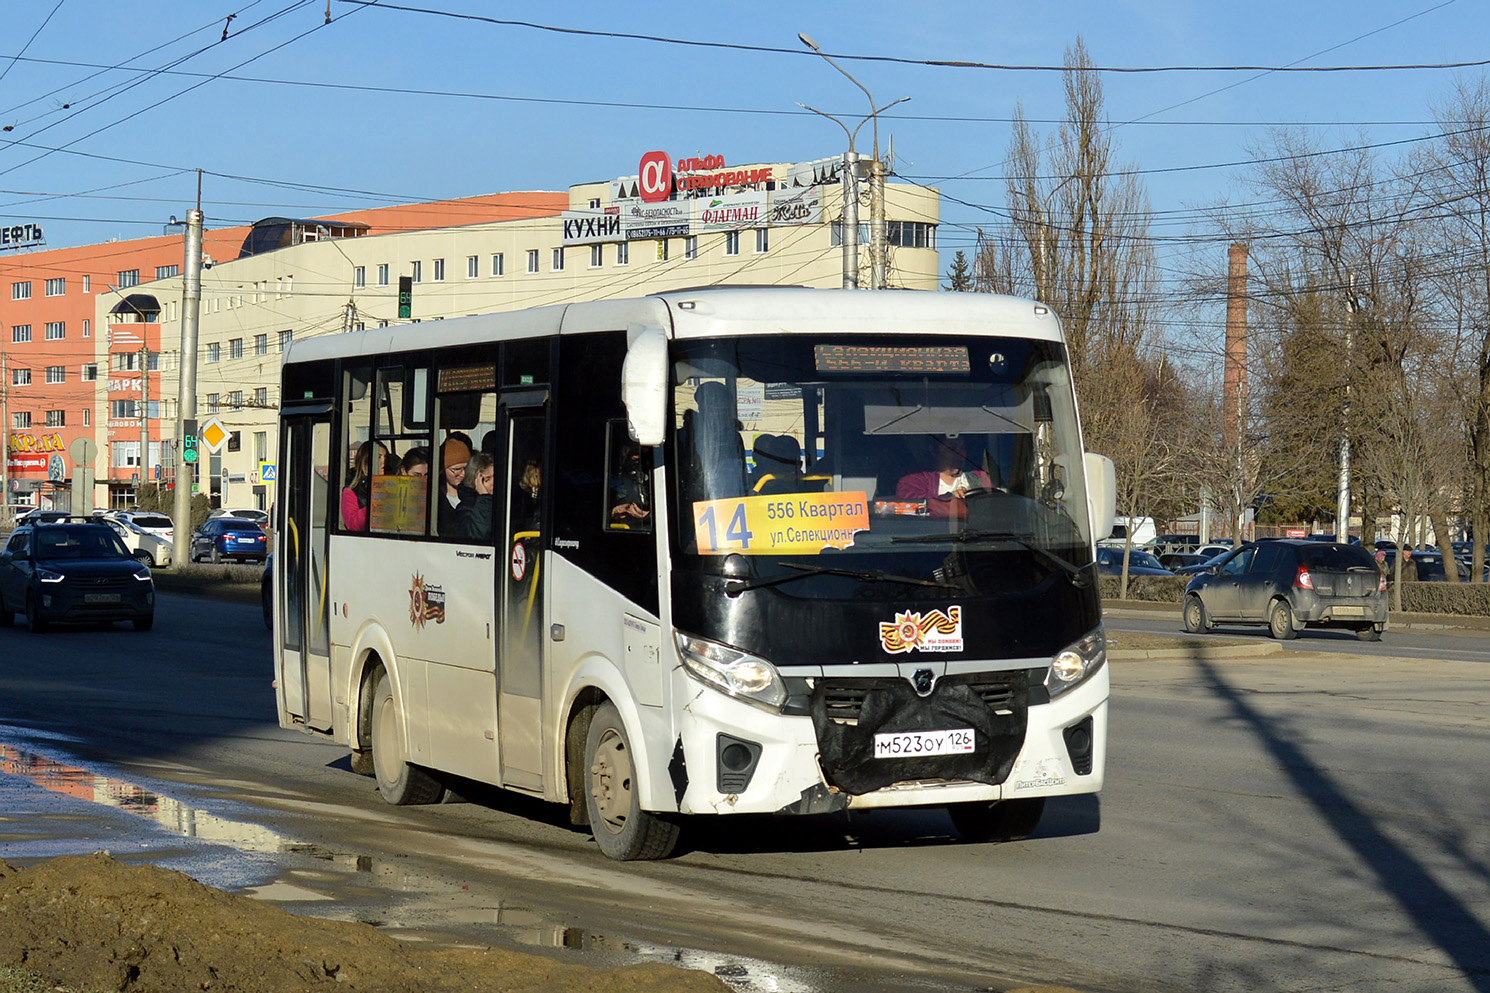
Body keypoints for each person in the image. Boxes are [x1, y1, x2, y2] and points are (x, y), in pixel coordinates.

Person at [895, 436, 992, 518]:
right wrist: (952, 500)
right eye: (952, 448)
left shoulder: (980, 477)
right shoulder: (912, 481)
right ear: (934, 451)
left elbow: (994, 506)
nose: (959, 453)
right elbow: (913, 508)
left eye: (962, 448)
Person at [341, 441, 388, 531]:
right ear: (366, 460)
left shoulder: (389, 484)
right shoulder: (351, 489)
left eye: (385, 457)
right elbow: (352, 524)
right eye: (378, 457)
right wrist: (374, 506)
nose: (384, 462)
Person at [437, 435, 473, 536]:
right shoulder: (435, 499)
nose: (462, 474)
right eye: (456, 469)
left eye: (466, 468)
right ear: (443, 469)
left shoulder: (474, 494)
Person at [456, 451, 496, 540]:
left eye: (496, 477)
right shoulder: (465, 508)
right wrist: (484, 497)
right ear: (475, 481)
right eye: (487, 479)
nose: (493, 483)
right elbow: (476, 536)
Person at [610, 444, 651, 526]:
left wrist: (650, 516)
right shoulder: (612, 479)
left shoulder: (661, 470)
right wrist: (612, 513)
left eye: (640, 452)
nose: (636, 457)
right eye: (633, 452)